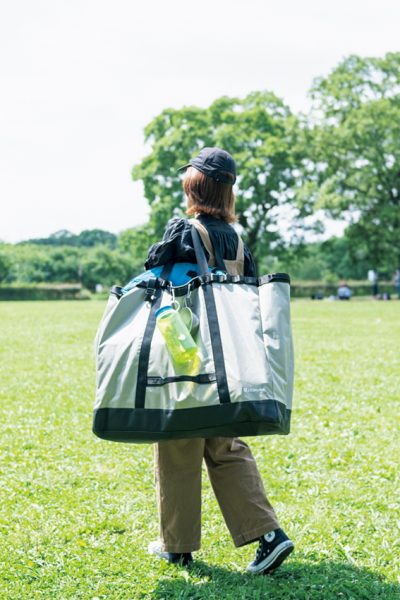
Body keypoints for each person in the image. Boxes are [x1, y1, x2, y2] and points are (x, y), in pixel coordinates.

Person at [144, 147, 294, 574]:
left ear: (193, 186)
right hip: (228, 359)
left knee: (176, 445)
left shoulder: (182, 230)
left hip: (185, 353)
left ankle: (177, 545)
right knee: (225, 445)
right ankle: (269, 536)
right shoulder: (239, 240)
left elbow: (154, 275)